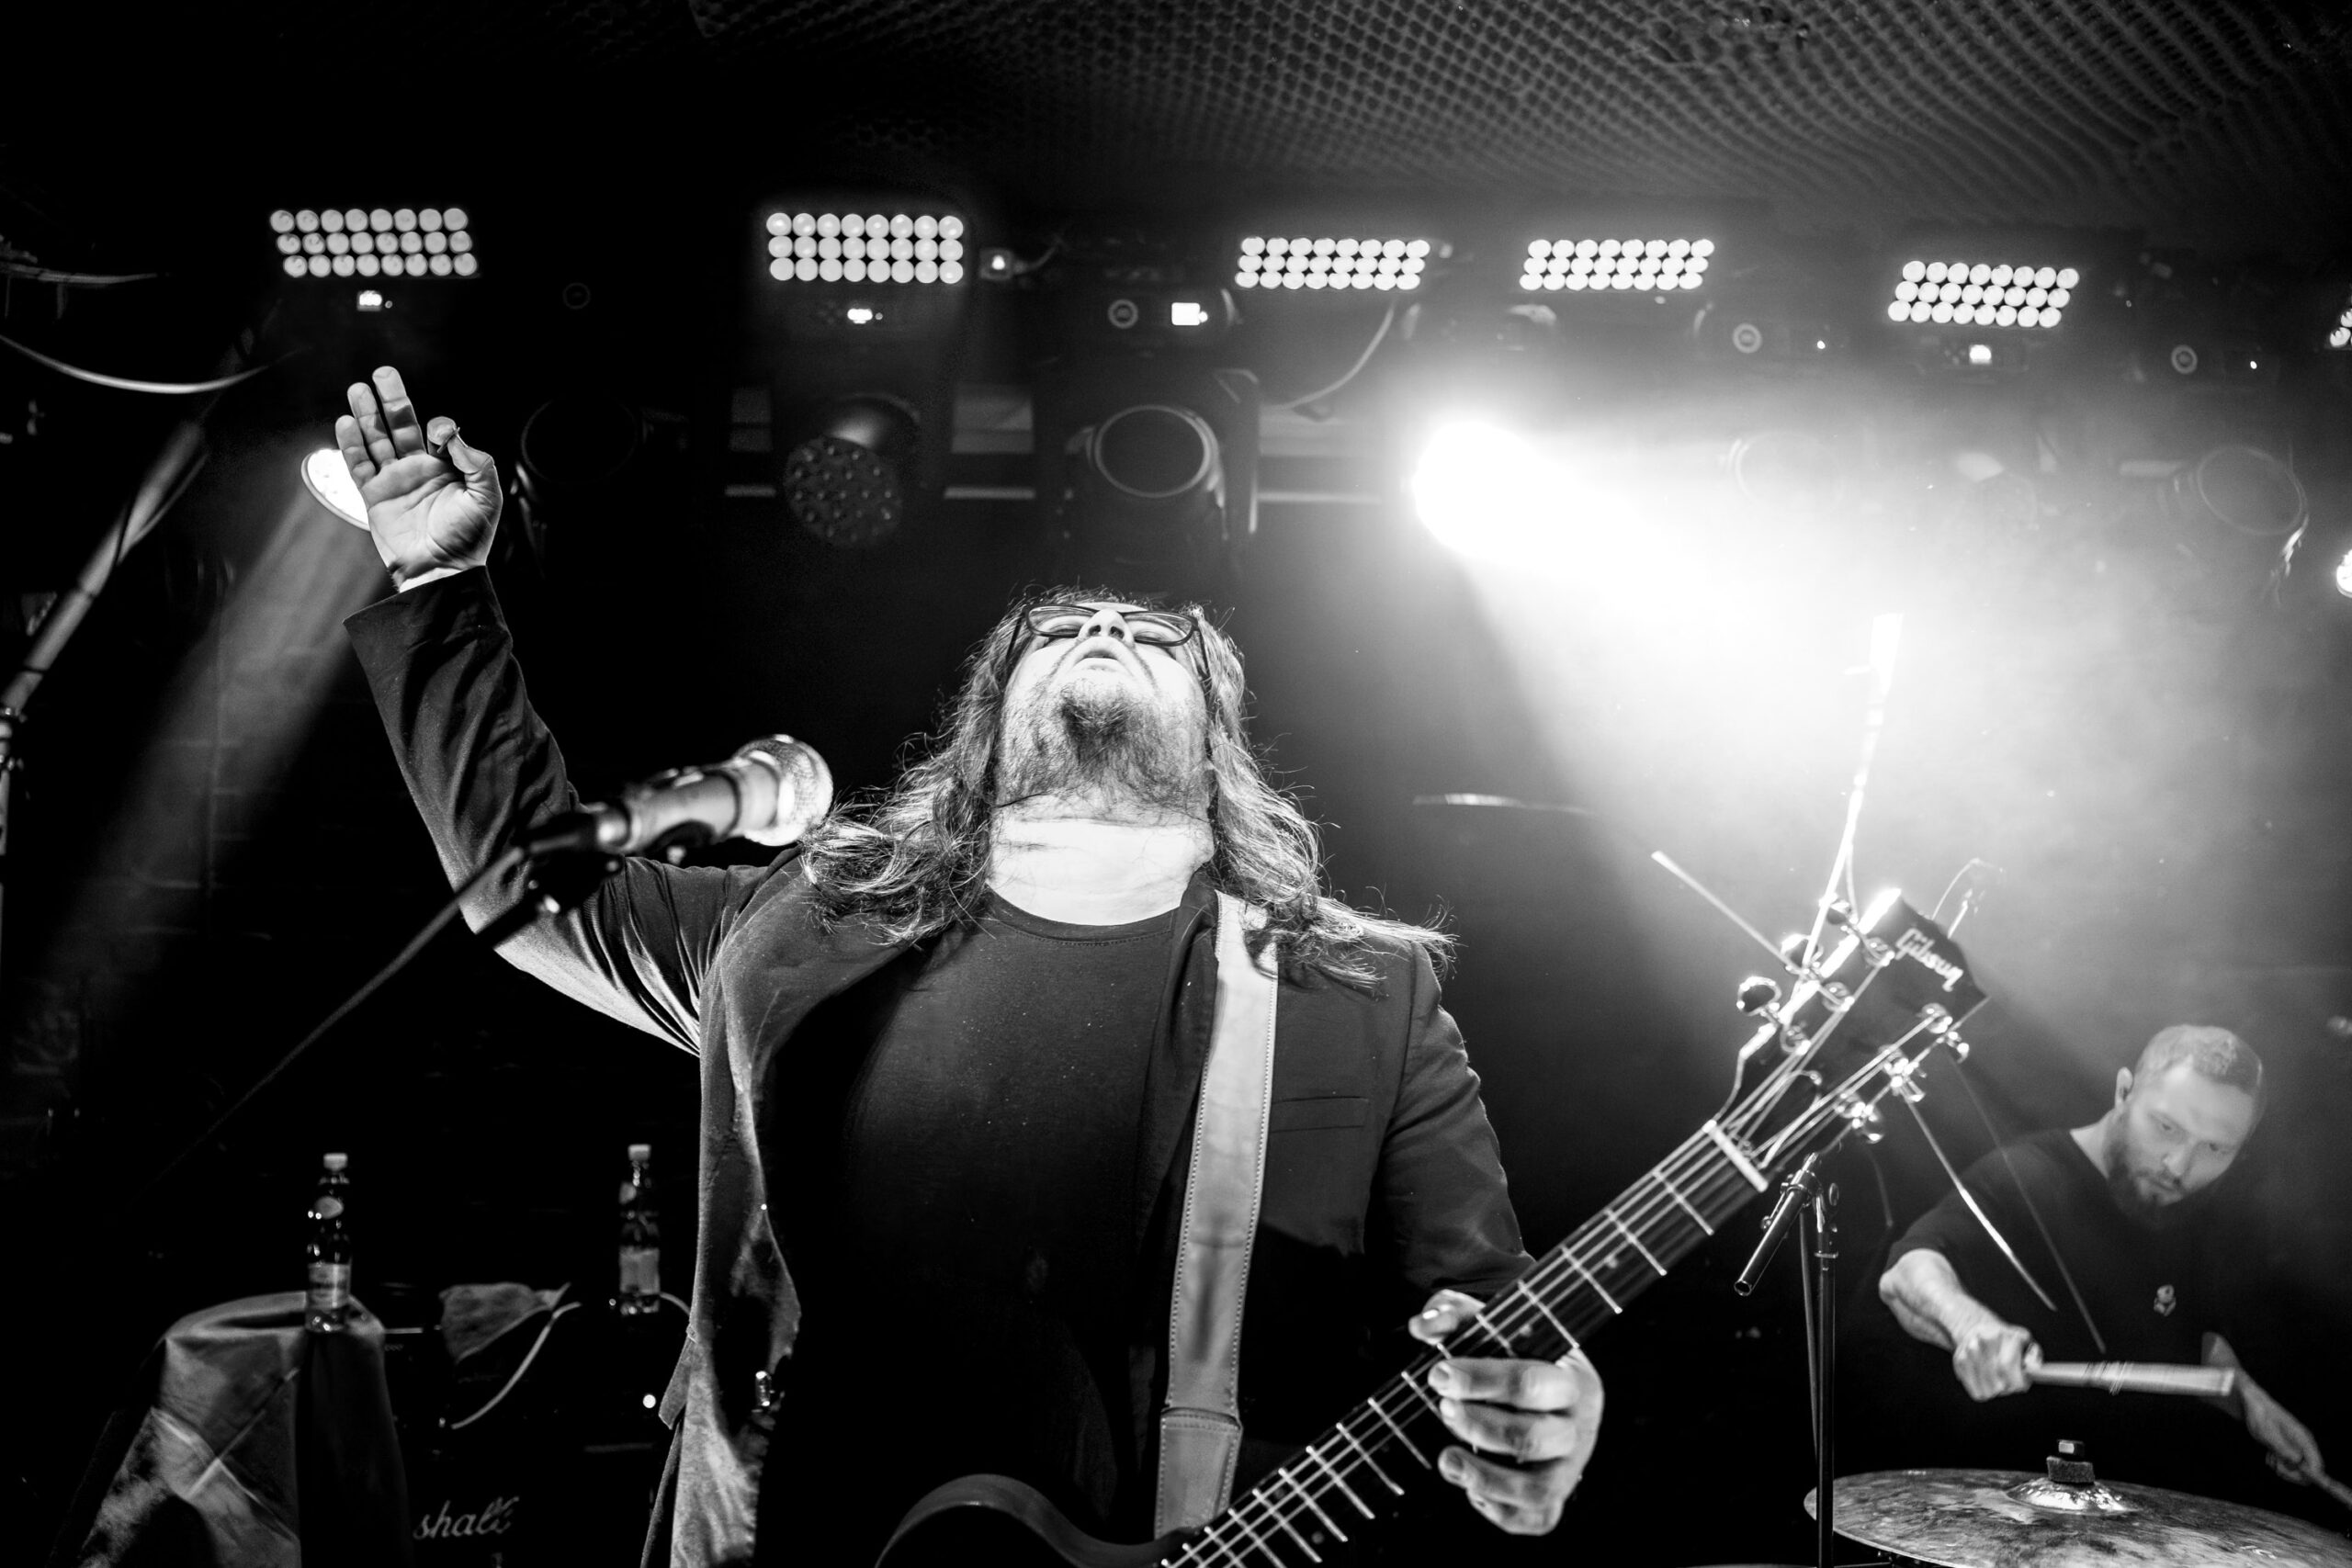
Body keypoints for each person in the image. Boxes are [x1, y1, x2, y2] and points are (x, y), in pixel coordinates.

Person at [331, 367, 1604, 1564]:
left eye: (1154, 634)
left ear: (1221, 742)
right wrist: (438, 581)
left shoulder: (1362, 994)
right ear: (984, 723)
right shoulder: (795, 924)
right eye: (1061, 625)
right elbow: (526, 887)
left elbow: (1485, 1316)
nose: (1105, 625)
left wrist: (1543, 1406)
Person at [1871, 1023, 2327, 1496]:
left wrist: (2247, 1396)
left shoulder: (2188, 1211)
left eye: (2215, 1147)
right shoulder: (2025, 1175)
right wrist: (1971, 1327)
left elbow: (2193, 1331)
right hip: (1979, 1494)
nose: (2179, 1166)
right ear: (2124, 1091)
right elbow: (1908, 1271)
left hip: (2109, 1505)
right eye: (2166, 1127)